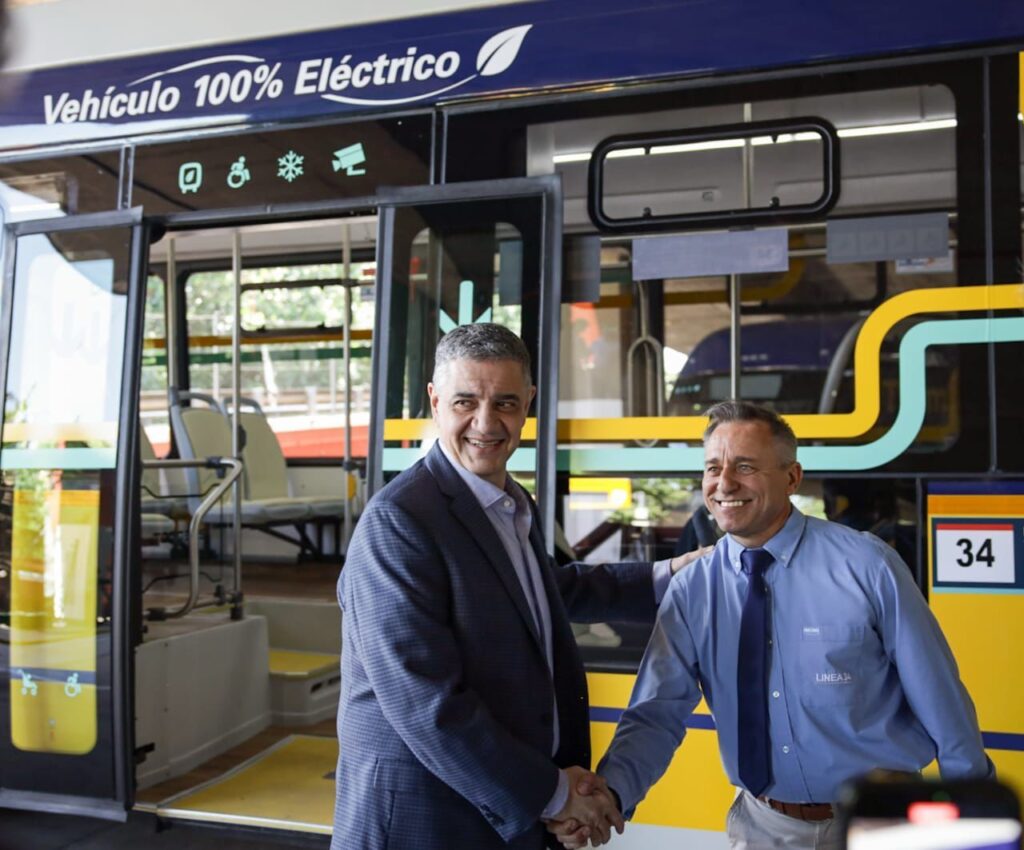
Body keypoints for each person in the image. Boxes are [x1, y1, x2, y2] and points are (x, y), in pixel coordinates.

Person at [549, 400, 992, 850]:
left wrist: (975, 819)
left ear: (792, 478)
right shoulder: (692, 590)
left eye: (745, 466)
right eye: (713, 468)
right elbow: (655, 715)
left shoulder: (867, 565)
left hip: (879, 823)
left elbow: (940, 698)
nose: (724, 483)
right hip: (764, 828)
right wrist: (611, 797)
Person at [330, 323, 702, 850]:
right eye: (465, 402)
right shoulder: (398, 522)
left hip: (493, 815)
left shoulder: (507, 501)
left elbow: (542, 593)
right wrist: (556, 795)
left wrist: (670, 575)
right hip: (424, 822)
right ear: (434, 402)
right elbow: (427, 704)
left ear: (528, 403)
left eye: (504, 403)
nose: (486, 423)